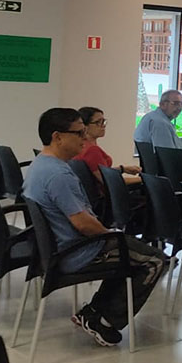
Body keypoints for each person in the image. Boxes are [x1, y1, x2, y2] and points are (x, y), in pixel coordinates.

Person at [23, 108, 165, 347]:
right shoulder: (58, 175)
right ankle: (105, 322)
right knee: (155, 261)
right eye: (79, 133)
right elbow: (83, 223)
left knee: (129, 251)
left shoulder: (40, 164)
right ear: (58, 137)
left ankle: (93, 312)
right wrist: (109, 235)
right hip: (77, 252)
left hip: (59, 249)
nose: (84, 137)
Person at [74, 106, 141, 186]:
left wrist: (123, 169)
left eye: (103, 121)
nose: (103, 126)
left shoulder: (81, 146)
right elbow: (109, 181)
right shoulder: (92, 150)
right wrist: (143, 179)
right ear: (85, 126)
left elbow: (99, 172)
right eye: (98, 122)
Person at [133, 90, 182, 159]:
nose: (179, 108)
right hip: (166, 165)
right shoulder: (160, 123)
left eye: (181, 104)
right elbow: (168, 156)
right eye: (176, 103)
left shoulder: (150, 117)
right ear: (162, 104)